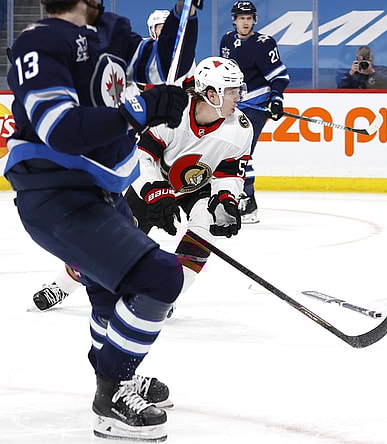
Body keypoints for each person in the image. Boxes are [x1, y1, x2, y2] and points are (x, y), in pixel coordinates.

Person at [4, 0, 200, 441]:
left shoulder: (108, 29)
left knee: (107, 292)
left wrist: (182, 16)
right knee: (161, 278)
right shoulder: (38, 42)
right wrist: (137, 110)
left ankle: (118, 373)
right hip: (56, 193)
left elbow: (161, 64)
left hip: (102, 190)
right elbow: (61, 128)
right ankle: (111, 395)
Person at [32, 56, 252, 315]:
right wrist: (156, 192)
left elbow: (229, 173)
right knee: (110, 244)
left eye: (238, 90)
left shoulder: (240, 127)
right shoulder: (174, 112)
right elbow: (142, 156)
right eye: (232, 91)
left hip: (198, 188)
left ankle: (165, 295)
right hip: (153, 181)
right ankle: (63, 284)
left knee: (204, 233)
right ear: (211, 94)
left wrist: (227, 199)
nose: (238, 97)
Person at [220, 0, 290, 224]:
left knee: (242, 150)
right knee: (225, 148)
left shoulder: (264, 43)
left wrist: (276, 99)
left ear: (254, 20)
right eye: (242, 18)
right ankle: (230, 196)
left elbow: (279, 76)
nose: (246, 22)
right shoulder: (227, 40)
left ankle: (248, 203)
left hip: (257, 104)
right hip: (234, 103)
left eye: (249, 18)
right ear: (235, 20)